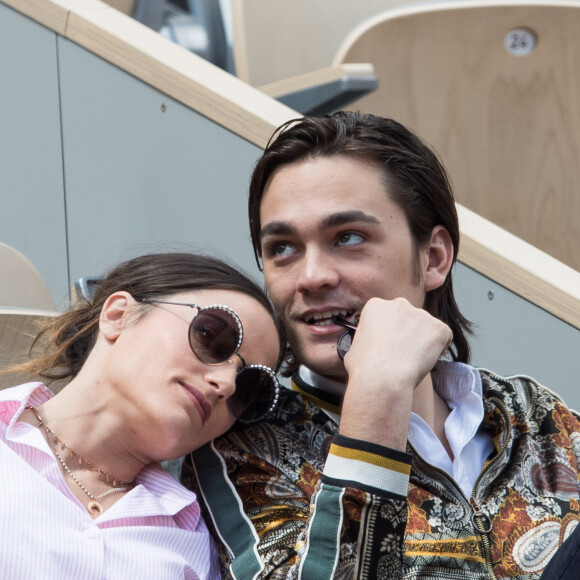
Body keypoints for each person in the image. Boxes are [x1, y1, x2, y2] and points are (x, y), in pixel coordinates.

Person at [185, 112, 580, 579]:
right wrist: (378, 396)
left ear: (433, 258)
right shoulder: (244, 447)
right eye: (283, 248)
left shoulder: (534, 414)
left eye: (348, 238)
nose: (311, 277)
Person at [0, 252, 282, 579]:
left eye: (250, 388)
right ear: (118, 314)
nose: (227, 384)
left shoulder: (197, 543)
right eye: (211, 338)